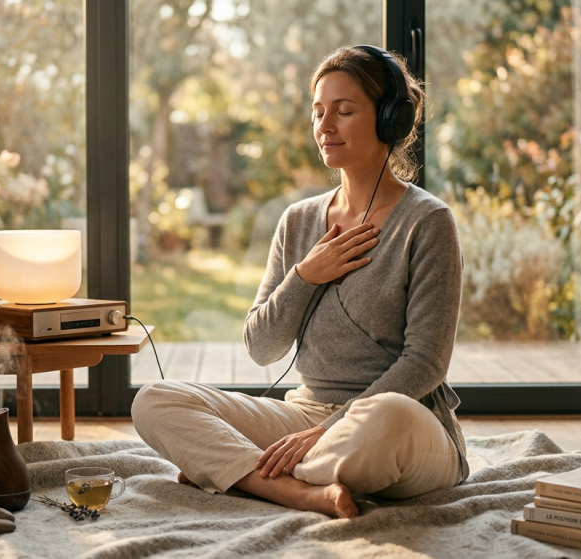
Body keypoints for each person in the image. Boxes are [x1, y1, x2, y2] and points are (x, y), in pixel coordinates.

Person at [132, 45, 469, 519]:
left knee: (386, 418)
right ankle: (298, 491)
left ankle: (237, 472)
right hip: (304, 416)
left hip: (393, 423)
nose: (324, 126)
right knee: (155, 400)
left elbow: (426, 364)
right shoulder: (298, 221)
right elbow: (261, 348)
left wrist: (330, 430)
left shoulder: (428, 222)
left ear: (390, 119)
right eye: (317, 112)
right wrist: (305, 275)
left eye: (344, 111)